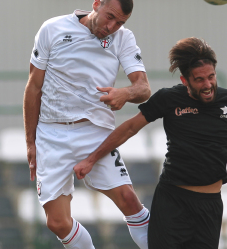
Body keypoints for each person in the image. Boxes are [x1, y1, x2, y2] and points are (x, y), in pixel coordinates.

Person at [23, 0, 151, 249]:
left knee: (128, 199)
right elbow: (33, 87)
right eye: (110, 16)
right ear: (96, 4)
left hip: (95, 132)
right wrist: (30, 142)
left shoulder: (123, 39)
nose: (112, 26)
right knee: (57, 223)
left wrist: (125, 93)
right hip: (51, 133)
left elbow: (144, 89)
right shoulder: (52, 28)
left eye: (120, 22)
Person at [74, 37, 227, 249]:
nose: (208, 84)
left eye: (211, 77)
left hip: (209, 206)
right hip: (173, 200)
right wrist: (91, 159)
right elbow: (129, 128)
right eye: (200, 79)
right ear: (185, 81)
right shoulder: (169, 99)